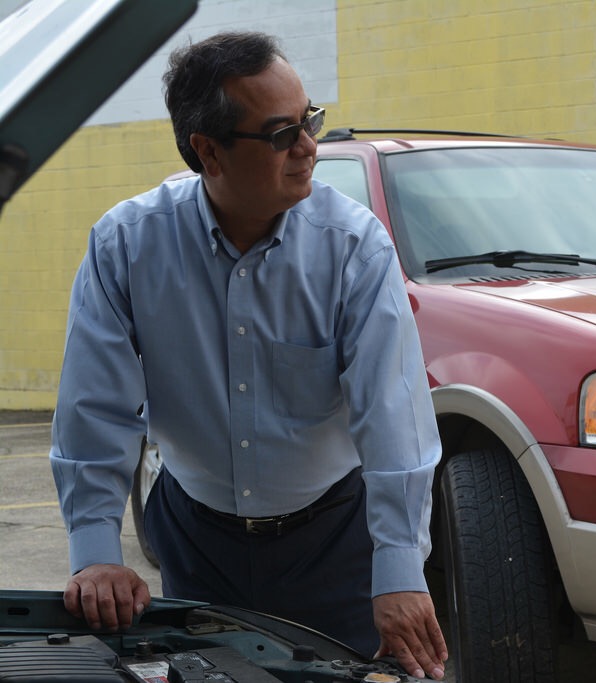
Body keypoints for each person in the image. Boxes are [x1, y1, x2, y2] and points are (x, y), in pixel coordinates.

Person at [48, 31, 447, 680]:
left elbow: (393, 418)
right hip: (196, 540)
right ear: (208, 151)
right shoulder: (127, 246)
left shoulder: (353, 247)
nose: (309, 147)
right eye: (282, 133)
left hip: (334, 542)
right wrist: (95, 552)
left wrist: (399, 570)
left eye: (309, 120)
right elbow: (96, 408)